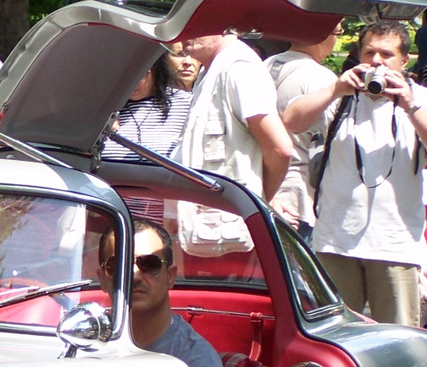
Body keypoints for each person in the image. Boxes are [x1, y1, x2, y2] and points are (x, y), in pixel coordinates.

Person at [283, 21, 427, 327]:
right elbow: (291, 121)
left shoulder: (420, 99)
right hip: (335, 242)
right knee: (335, 337)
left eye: (387, 54)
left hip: (395, 244)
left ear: (404, 60)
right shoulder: (339, 97)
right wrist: (337, 88)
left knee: (398, 339)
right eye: (370, 52)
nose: (377, 61)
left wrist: (409, 104)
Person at [173, 28, 293, 252]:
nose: (186, 31)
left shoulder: (240, 69)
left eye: (197, 23)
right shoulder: (211, 70)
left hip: (233, 238)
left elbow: (280, 149)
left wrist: (259, 203)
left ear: (227, 26)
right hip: (210, 234)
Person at [123, 218, 231, 367]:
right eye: (118, 264)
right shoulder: (84, 337)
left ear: (170, 276)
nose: (134, 275)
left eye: (149, 264)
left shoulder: (193, 356)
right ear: (103, 277)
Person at [267, 21, 343, 235]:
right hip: (298, 198)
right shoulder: (322, 79)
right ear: (322, 34)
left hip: (261, 187)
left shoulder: (265, 65)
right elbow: (334, 139)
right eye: (337, 32)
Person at [100, 49, 191, 162]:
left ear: (155, 69)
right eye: (123, 76)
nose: (130, 83)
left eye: (138, 75)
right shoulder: (105, 109)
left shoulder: (184, 102)